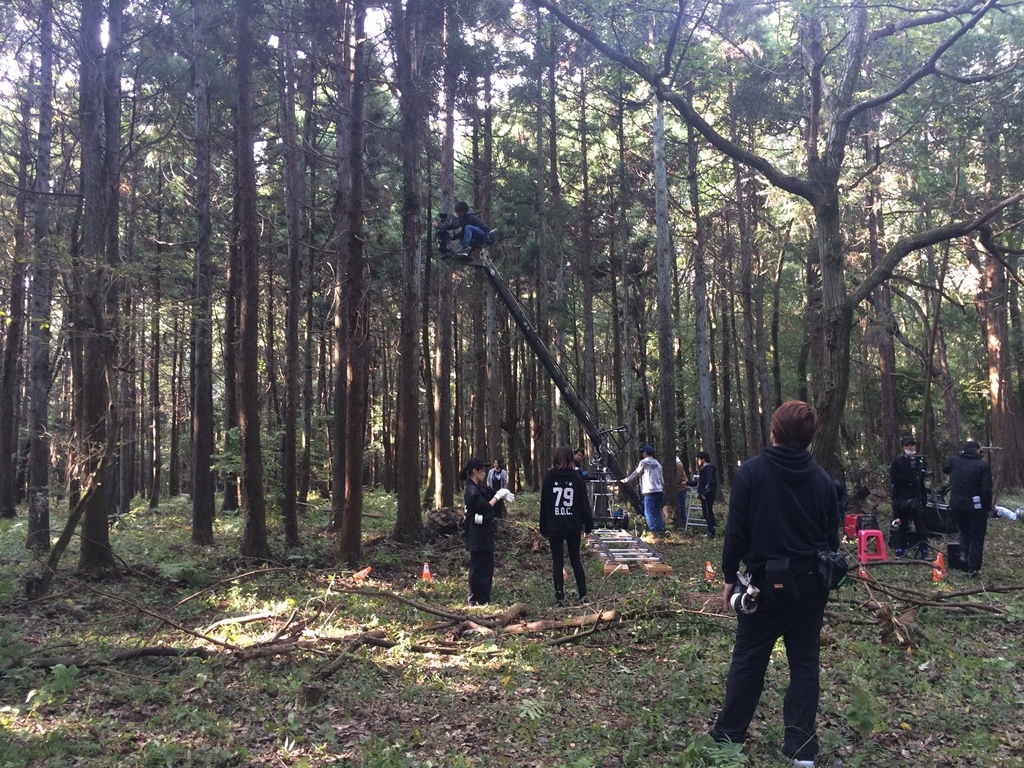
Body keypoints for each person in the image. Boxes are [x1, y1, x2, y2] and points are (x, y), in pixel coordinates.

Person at [711, 401, 839, 767]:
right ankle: (801, 751)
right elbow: (831, 541)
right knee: (804, 664)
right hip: (811, 588)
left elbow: (735, 532)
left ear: (774, 431)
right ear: (809, 437)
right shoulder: (823, 481)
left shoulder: (751, 473)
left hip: (763, 588)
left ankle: (727, 738)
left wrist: (728, 577)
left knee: (749, 662)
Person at [540, 446, 595, 604]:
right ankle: (583, 594)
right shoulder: (576, 477)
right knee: (575, 560)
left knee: (558, 562)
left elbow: (545, 504)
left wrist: (543, 526)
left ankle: (559, 597)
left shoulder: (549, 477)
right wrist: (588, 525)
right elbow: (583, 503)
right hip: (572, 525)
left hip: (555, 526)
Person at [461, 456, 513, 605]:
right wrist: (497, 497)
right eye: (482, 470)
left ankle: (483, 597)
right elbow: (484, 507)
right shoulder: (471, 490)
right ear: (474, 471)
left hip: (484, 532)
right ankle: (473, 599)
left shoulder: (479, 487)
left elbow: (489, 492)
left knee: (487, 565)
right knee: (477, 566)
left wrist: (501, 492)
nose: (485, 473)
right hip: (476, 533)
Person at [943, 440, 993, 577]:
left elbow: (945, 469)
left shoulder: (955, 461)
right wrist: (987, 507)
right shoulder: (982, 466)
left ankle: (963, 558)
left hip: (957, 506)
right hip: (976, 507)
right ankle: (974, 568)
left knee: (964, 531)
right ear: (978, 450)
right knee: (977, 536)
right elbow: (986, 489)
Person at [889, 436, 929, 556]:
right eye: (907, 445)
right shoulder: (897, 463)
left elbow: (921, 478)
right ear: (903, 447)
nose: (910, 447)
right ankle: (901, 548)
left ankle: (924, 549)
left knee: (920, 525)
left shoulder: (920, 460)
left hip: (917, 497)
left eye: (912, 444)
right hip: (902, 498)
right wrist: (910, 479)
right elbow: (895, 479)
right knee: (903, 525)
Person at [624, 445, 664, 534]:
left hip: (649, 492)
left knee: (648, 511)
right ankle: (659, 530)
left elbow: (636, 472)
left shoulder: (643, 463)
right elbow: (661, 478)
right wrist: (662, 487)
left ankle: (652, 531)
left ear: (645, 453)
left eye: (643, 452)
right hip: (659, 491)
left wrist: (627, 479)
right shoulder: (658, 464)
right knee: (658, 511)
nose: (642, 454)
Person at [687, 451, 719, 538]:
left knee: (708, 513)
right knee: (706, 513)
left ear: (703, 459)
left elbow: (710, 482)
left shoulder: (708, 470)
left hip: (707, 495)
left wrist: (706, 493)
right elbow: (700, 482)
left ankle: (712, 533)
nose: (698, 461)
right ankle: (710, 531)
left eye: (698, 459)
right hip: (704, 495)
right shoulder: (705, 470)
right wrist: (688, 483)